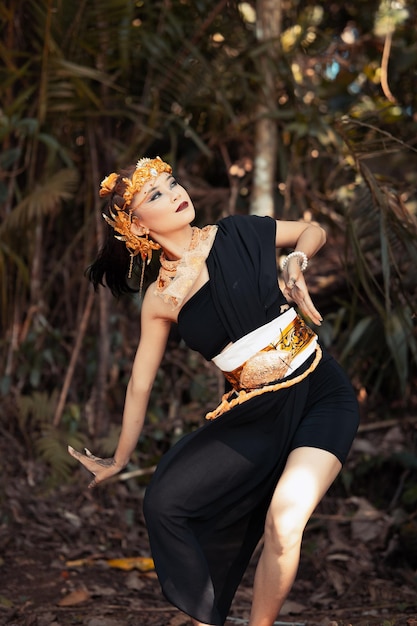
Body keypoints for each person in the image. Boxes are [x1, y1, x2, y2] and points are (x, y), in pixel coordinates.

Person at [68, 156, 359, 626]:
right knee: (164, 501)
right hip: (255, 416)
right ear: (136, 225)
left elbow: (313, 228)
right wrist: (118, 459)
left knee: (285, 523)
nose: (175, 192)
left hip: (322, 394)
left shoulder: (237, 232)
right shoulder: (160, 301)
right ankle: (207, 616)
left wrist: (296, 260)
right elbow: (140, 383)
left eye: (172, 181)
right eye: (156, 194)